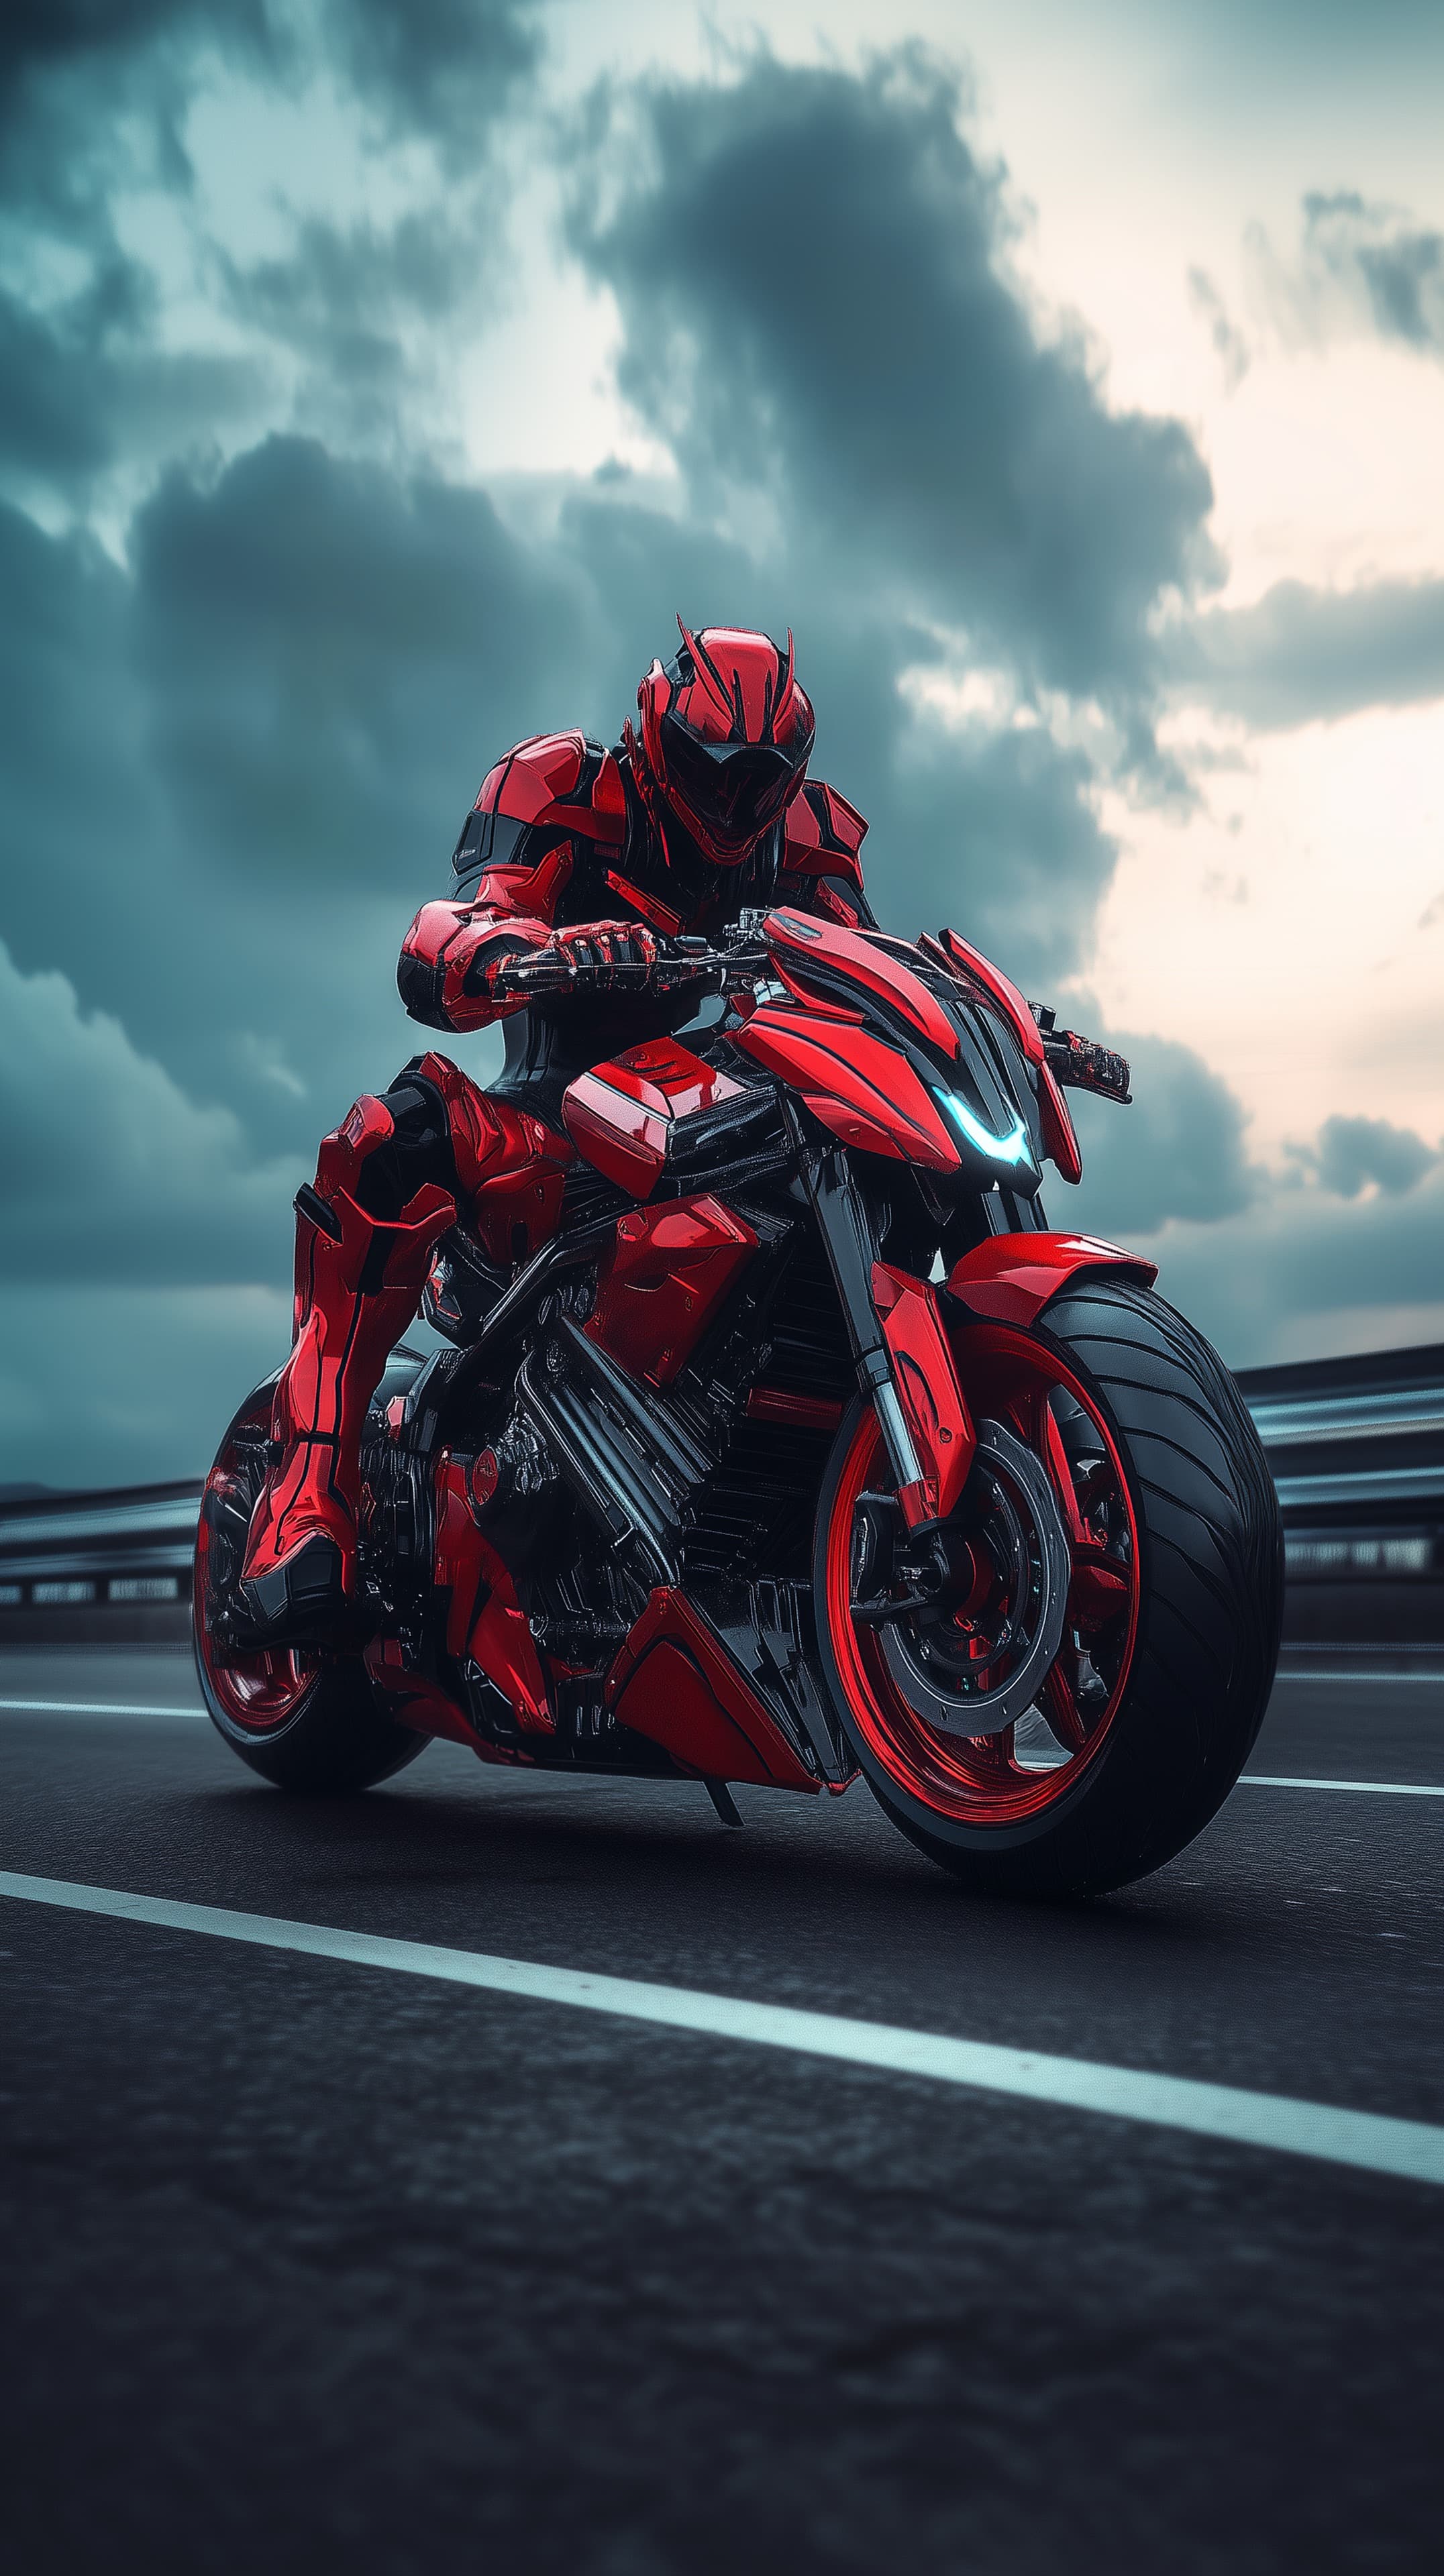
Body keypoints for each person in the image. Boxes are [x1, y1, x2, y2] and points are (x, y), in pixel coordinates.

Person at [236, 622, 873, 1646]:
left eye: (760, 779)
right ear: (656, 738)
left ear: (791, 771)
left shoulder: (809, 836)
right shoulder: (562, 786)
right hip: (555, 1127)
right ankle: (306, 1498)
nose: (733, 799)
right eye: (711, 768)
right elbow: (457, 925)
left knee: (875, 1147)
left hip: (726, 1118)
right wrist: (534, 946)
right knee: (390, 1137)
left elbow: (864, 973)